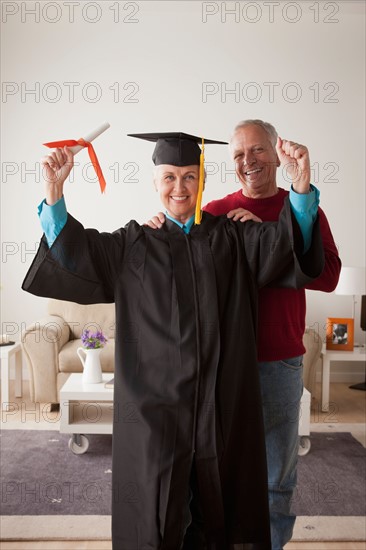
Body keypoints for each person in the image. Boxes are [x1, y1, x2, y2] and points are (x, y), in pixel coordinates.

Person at [22, 131, 324, 550]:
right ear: (154, 182)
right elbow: (77, 253)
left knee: (224, 501)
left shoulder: (233, 238)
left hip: (220, 402)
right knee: (154, 506)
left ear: (202, 182)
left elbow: (290, 246)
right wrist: (54, 193)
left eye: (188, 177)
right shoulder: (134, 243)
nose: (179, 187)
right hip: (155, 407)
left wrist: (302, 185)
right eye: (168, 177)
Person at [147, 121, 341, 550]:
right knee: (216, 474)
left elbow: (326, 275)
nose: (248, 161)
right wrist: (159, 226)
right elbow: (184, 263)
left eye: (256, 151)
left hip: (277, 361)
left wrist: (269, 238)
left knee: (274, 480)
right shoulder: (213, 211)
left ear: (275, 154)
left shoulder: (301, 207)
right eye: (238, 155)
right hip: (220, 365)